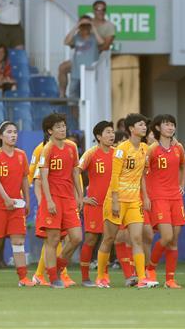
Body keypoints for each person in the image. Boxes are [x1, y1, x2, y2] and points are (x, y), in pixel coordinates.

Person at [96, 113, 155, 288]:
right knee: (109, 238)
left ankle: (142, 278)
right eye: (141, 124)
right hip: (117, 199)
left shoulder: (145, 148)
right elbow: (114, 176)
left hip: (134, 201)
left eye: (145, 125)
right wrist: (114, 200)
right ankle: (101, 276)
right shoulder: (122, 149)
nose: (144, 127)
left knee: (137, 238)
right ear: (131, 129)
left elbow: (142, 176)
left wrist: (145, 196)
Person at [0, 121, 32, 287]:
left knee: (18, 242)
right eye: (9, 132)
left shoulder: (21, 155)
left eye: (15, 132)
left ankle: (23, 278)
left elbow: (25, 178)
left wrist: (27, 200)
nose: (13, 135)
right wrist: (5, 199)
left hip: (16, 205)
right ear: (0, 136)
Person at [37, 112, 83, 288]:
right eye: (58, 127)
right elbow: (43, 177)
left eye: (63, 126)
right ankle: (53, 277)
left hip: (69, 198)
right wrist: (48, 201)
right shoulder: (47, 149)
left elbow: (75, 172)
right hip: (54, 197)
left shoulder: (71, 147)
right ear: (50, 130)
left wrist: (79, 195)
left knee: (77, 237)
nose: (62, 129)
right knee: (53, 238)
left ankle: (58, 267)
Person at [144, 114, 185, 289]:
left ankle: (170, 279)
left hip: (175, 197)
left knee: (174, 240)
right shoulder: (152, 149)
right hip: (159, 197)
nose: (170, 127)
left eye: (172, 125)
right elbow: (142, 174)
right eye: (166, 125)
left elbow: (183, 166)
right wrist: (146, 196)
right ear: (157, 128)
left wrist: (182, 185)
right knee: (166, 236)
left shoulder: (179, 148)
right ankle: (151, 268)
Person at [77, 120, 115, 287]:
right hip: (94, 204)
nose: (111, 135)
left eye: (112, 132)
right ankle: (85, 278)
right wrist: (81, 197)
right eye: (107, 132)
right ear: (99, 136)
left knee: (110, 239)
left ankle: (103, 276)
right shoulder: (91, 153)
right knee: (91, 240)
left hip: (113, 204)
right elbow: (75, 172)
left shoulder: (118, 153)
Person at [58, 0, 115, 98]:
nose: (100, 12)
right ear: (94, 10)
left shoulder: (109, 26)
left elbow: (105, 45)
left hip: (96, 59)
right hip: (80, 60)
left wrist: (92, 51)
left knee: (89, 93)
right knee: (62, 68)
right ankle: (62, 94)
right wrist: (79, 27)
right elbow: (69, 42)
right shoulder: (86, 23)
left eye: (103, 9)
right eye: (97, 9)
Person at [64, 15, 102, 98]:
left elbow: (101, 42)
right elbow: (66, 42)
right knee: (73, 100)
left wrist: (92, 26)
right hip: (76, 74)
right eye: (82, 25)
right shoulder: (76, 37)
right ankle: (74, 112)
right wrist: (76, 26)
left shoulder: (94, 37)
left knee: (89, 99)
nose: (85, 28)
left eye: (87, 25)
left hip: (90, 74)